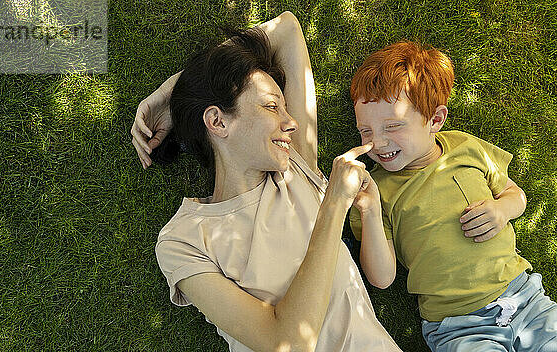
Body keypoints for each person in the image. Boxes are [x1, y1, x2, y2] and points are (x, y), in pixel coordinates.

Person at [131, 12, 401, 352]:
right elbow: (286, 343)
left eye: (287, 108)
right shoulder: (183, 241)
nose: (290, 123)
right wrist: (334, 204)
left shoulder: (295, 169)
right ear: (217, 121)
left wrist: (173, 92)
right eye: (272, 106)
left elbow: (287, 28)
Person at [348, 41, 557, 351]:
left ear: (435, 119)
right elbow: (382, 278)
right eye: (366, 131)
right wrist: (370, 210)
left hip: (525, 299)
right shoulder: (376, 192)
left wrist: (502, 210)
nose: (378, 142)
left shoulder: (466, 147)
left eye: (392, 126)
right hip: (458, 326)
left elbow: (516, 195)